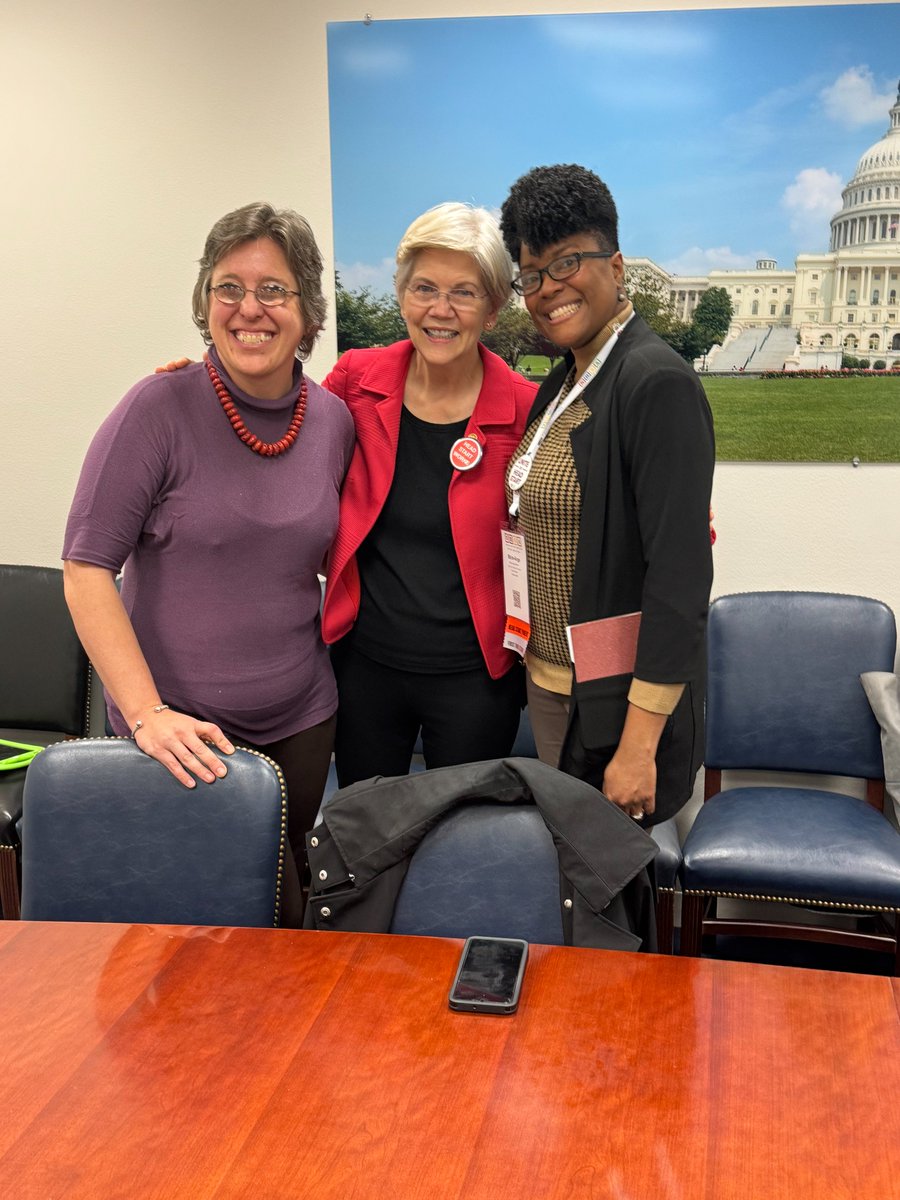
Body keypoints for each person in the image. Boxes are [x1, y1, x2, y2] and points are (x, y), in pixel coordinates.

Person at [63, 202, 355, 923]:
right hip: (178, 736)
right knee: (184, 938)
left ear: (309, 310)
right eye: (229, 287)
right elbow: (85, 568)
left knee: (282, 920)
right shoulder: (156, 408)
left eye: (274, 290)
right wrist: (147, 714)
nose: (249, 308)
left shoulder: (333, 422)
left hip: (303, 722)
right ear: (205, 301)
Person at [499, 165, 715, 827]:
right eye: (530, 274)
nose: (547, 290)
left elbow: (679, 582)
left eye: (567, 263)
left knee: (603, 906)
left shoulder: (654, 382)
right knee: (569, 885)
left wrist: (638, 747)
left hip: (616, 711)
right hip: (557, 687)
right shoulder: (566, 379)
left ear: (616, 266)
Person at [321, 203, 536, 786]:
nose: (440, 311)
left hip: (476, 679)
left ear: (492, 308)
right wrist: (208, 389)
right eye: (424, 288)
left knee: (461, 851)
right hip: (363, 666)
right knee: (365, 841)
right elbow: (281, 438)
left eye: (463, 293)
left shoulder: (524, 407)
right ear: (401, 294)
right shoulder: (354, 380)